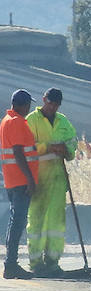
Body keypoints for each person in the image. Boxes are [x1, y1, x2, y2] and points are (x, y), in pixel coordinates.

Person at [25, 88, 76, 276]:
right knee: (36, 220)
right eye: (50, 103)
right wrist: (49, 147)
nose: (53, 107)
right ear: (44, 100)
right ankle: (36, 263)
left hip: (57, 179)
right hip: (38, 179)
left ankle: (53, 262)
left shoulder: (63, 121)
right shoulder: (32, 120)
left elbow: (73, 141)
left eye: (56, 105)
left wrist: (67, 149)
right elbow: (27, 148)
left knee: (56, 223)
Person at [0, 90, 37, 279]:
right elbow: (18, 152)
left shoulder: (6, 120)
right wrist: (30, 179)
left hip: (12, 180)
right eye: (29, 104)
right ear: (24, 105)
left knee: (16, 222)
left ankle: (10, 264)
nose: (30, 107)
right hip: (21, 180)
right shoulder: (16, 122)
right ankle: (11, 264)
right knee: (18, 222)